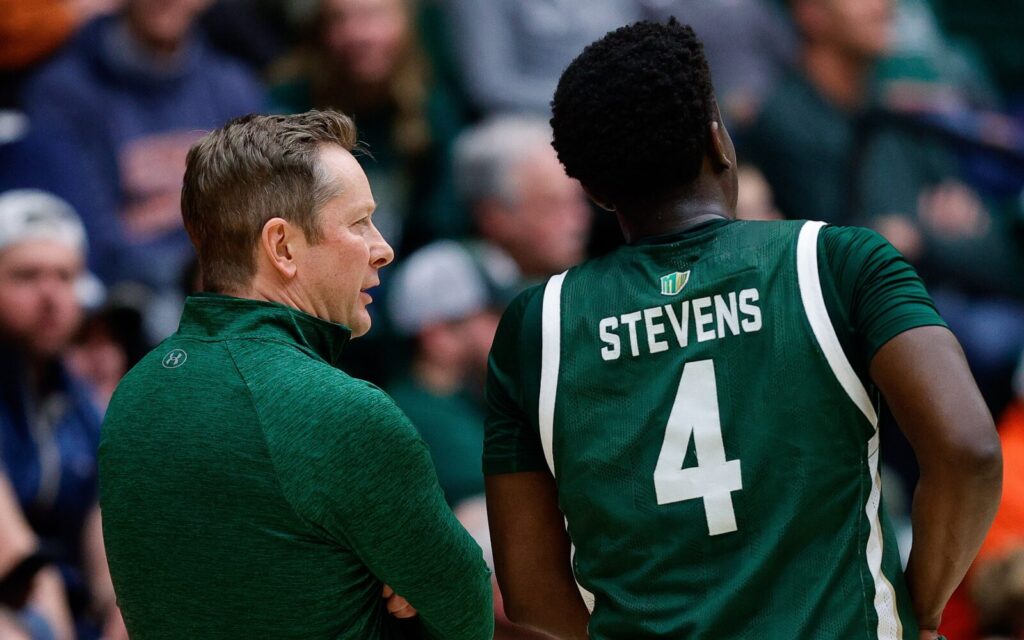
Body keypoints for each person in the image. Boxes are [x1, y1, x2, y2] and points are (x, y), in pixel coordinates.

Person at [483, 20, 1002, 640]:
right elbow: (969, 452)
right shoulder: (838, 262)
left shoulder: (534, 326)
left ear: (593, 190)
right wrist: (920, 606)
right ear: (719, 141)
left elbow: (531, 593)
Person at [98, 110, 493, 639]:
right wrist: (394, 578)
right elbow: (467, 616)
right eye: (358, 223)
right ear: (282, 247)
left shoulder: (133, 394)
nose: (383, 248)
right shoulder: (341, 412)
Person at [0, 189, 125, 640]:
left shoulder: (75, 397)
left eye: (65, 276)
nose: (51, 295)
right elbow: (19, 565)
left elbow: (104, 531)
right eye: (27, 276)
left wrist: (119, 607)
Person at [453, 116, 591, 290]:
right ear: (494, 216)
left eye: (577, 201)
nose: (577, 224)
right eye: (551, 205)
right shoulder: (451, 289)